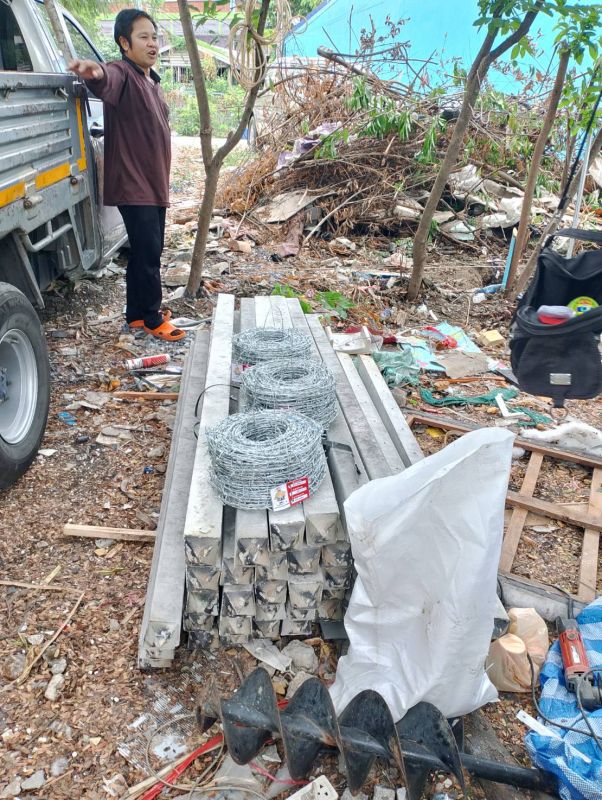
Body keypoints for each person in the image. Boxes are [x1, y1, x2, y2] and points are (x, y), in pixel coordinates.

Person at [69, 9, 185, 341]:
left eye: (155, 37)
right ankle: (152, 318)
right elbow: (106, 76)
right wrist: (94, 72)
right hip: (135, 185)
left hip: (153, 184)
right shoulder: (123, 74)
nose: (152, 44)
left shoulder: (151, 81)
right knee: (149, 253)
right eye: (143, 37)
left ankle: (135, 316)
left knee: (145, 251)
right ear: (124, 43)